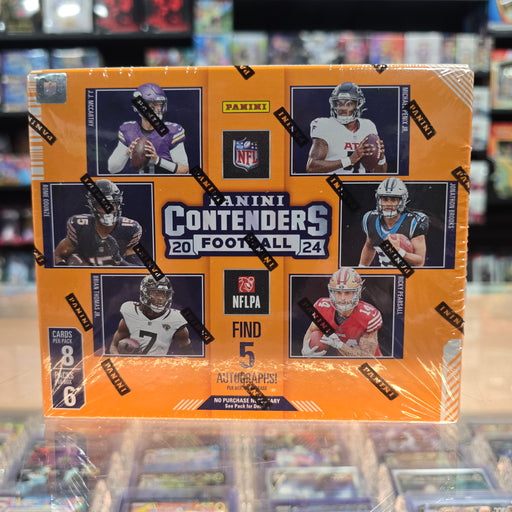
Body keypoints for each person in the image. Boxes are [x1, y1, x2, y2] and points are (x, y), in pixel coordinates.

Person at [54, 179, 142, 266]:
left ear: (118, 204)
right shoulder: (80, 226)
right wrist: (66, 271)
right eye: (101, 206)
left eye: (111, 205)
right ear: (93, 207)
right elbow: (57, 255)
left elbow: (139, 269)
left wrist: (118, 259)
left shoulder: (130, 229)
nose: (107, 211)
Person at [108, 83, 189, 175]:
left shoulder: (172, 132)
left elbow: (184, 170)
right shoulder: (129, 130)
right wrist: (126, 153)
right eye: (153, 105)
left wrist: (158, 160)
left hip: (164, 183)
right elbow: (112, 169)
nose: (158, 108)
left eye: (160, 104)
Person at [306, 82, 387, 174]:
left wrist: (381, 159)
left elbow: (379, 174)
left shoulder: (368, 126)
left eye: (349, 104)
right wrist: (349, 160)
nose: (343, 108)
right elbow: (311, 167)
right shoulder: (325, 125)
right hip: (331, 182)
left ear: (358, 105)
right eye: (339, 103)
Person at [301, 267, 382, 357]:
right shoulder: (322, 307)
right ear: (332, 292)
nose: (342, 298)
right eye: (338, 292)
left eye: (347, 293)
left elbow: (368, 356)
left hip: (368, 365)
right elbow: (312, 331)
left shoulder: (368, 316)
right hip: (340, 362)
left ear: (357, 293)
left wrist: (339, 345)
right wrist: (305, 349)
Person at [109, 275, 194, 356]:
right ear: (145, 292)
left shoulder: (175, 319)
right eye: (156, 293)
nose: (161, 298)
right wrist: (120, 360)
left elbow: (189, 354)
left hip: (159, 365)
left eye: (164, 294)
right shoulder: (131, 312)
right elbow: (113, 346)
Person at [359, 177, 428, 267]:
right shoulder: (370, 218)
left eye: (393, 199)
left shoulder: (414, 222)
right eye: (385, 199)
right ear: (379, 200)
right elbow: (369, 246)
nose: (388, 204)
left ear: (402, 201)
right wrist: (361, 268)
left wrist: (399, 252)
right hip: (384, 274)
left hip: (408, 274)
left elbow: (420, 262)